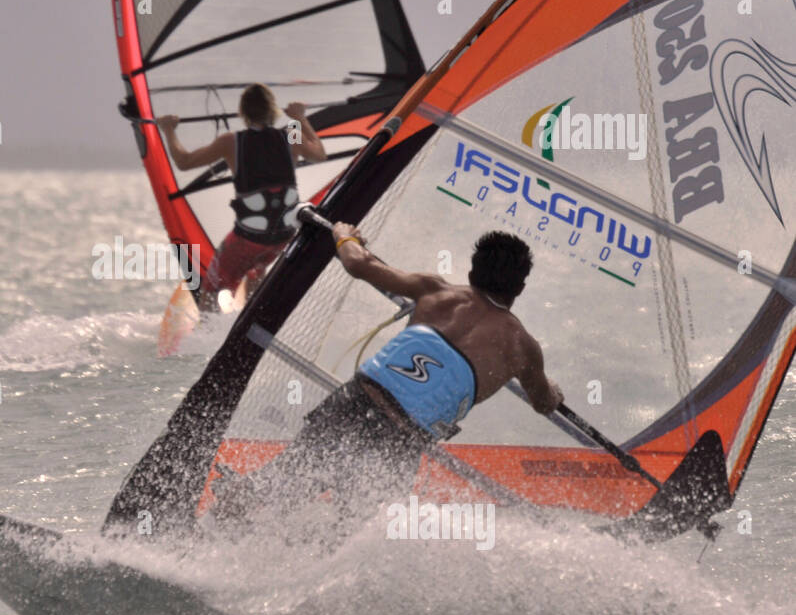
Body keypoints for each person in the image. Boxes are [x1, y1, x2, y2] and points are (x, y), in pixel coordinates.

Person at [214, 229, 565, 527]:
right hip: (400, 442)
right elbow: (543, 403)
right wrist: (553, 391)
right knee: (349, 530)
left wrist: (343, 233)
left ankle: (211, 522)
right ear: (519, 288)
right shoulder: (522, 347)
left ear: (473, 273)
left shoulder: (436, 291)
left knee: (281, 484)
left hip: (354, 407)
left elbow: (358, 263)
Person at [157, 84, 326, 312]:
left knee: (210, 291)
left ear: (242, 113)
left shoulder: (230, 141)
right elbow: (319, 154)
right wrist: (299, 118)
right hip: (282, 236)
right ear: (274, 110)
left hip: (249, 238)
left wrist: (168, 129)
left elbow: (184, 162)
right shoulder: (291, 133)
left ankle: (210, 335)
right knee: (257, 268)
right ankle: (253, 318)